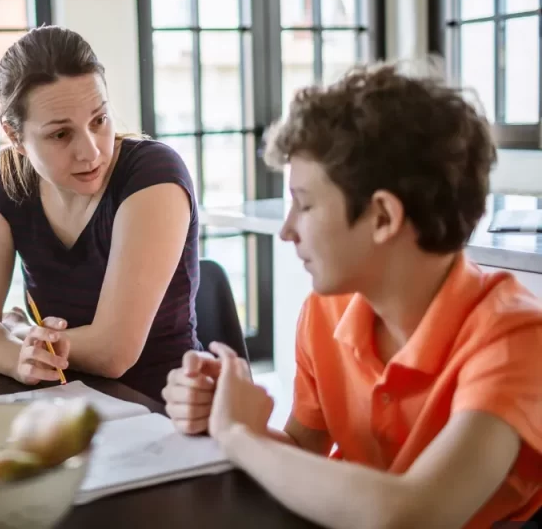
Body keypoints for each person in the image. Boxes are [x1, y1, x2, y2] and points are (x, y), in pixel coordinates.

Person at [163, 60, 542, 528]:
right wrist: (228, 413)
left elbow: (412, 515)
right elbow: (304, 452)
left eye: (304, 204)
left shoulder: (514, 339)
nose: (286, 231)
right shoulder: (325, 311)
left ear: (382, 217)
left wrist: (241, 436)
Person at [0, 25, 202, 401]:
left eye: (99, 120)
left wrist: (21, 335)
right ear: (14, 136)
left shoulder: (154, 175)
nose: (91, 152)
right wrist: (20, 358)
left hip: (164, 409)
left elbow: (113, 352)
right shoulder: (8, 178)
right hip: (64, 399)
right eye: (60, 134)